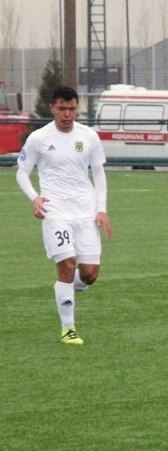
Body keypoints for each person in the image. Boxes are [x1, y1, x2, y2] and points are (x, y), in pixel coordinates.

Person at [16, 85, 112, 346]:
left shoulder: (89, 136)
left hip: (85, 211)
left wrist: (102, 209)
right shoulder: (39, 138)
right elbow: (22, 172)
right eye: (62, 109)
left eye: (71, 109)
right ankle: (68, 329)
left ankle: (64, 287)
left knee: (90, 274)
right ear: (52, 108)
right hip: (55, 211)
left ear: (76, 108)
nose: (67, 114)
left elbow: (99, 173)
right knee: (67, 264)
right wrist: (35, 197)